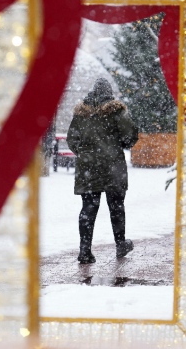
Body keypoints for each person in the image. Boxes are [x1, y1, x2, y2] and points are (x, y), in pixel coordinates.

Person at [67, 78, 139, 264]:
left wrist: (84, 154)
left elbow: (72, 139)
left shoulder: (81, 113)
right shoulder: (117, 112)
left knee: (88, 208)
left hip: (87, 168)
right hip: (112, 166)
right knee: (116, 206)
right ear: (109, 93)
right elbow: (130, 136)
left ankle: (84, 251)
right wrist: (119, 145)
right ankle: (120, 244)